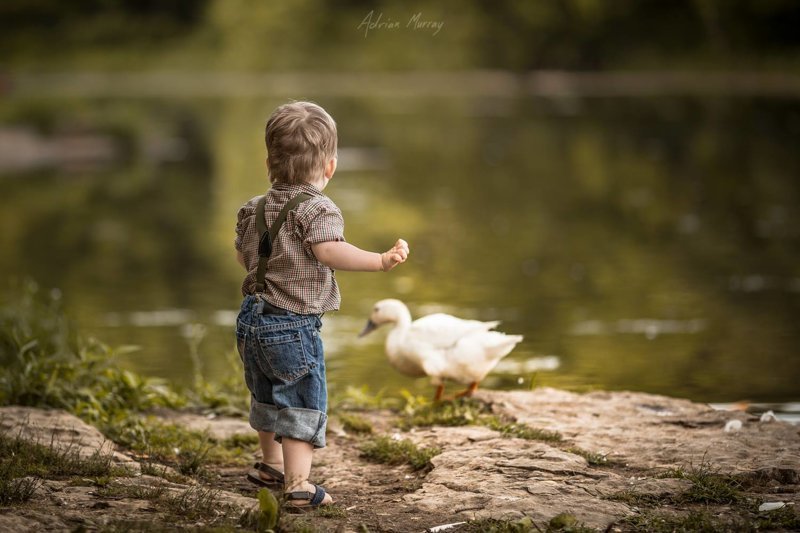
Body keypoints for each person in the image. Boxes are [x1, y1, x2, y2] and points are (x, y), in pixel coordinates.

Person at [234, 101, 409, 509]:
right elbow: (331, 251)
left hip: (251, 320)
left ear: (268, 163)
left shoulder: (252, 208)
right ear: (329, 167)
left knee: (264, 394)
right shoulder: (318, 208)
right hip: (293, 326)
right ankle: (297, 484)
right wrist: (380, 261)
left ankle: (269, 465)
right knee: (301, 399)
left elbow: (245, 257)